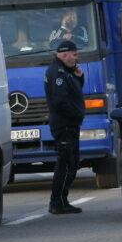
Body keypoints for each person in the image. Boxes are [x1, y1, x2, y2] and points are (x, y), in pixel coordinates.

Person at [46, 39, 85, 214]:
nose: (76, 58)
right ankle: (57, 202)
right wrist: (77, 114)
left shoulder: (67, 71)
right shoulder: (58, 73)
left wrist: (79, 76)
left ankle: (61, 200)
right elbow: (60, 101)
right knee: (66, 164)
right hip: (65, 125)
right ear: (64, 54)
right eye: (74, 55)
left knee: (72, 164)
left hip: (70, 124)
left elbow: (75, 90)